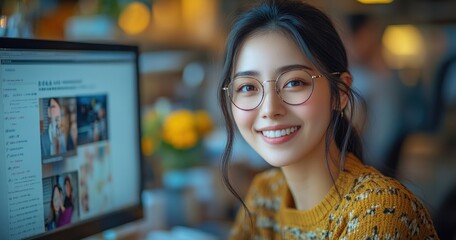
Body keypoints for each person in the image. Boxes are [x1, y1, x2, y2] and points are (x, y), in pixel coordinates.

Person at [217, 1, 439, 239]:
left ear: (341, 93)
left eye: (294, 82)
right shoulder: (265, 194)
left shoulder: (379, 212)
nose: (270, 109)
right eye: (248, 86)